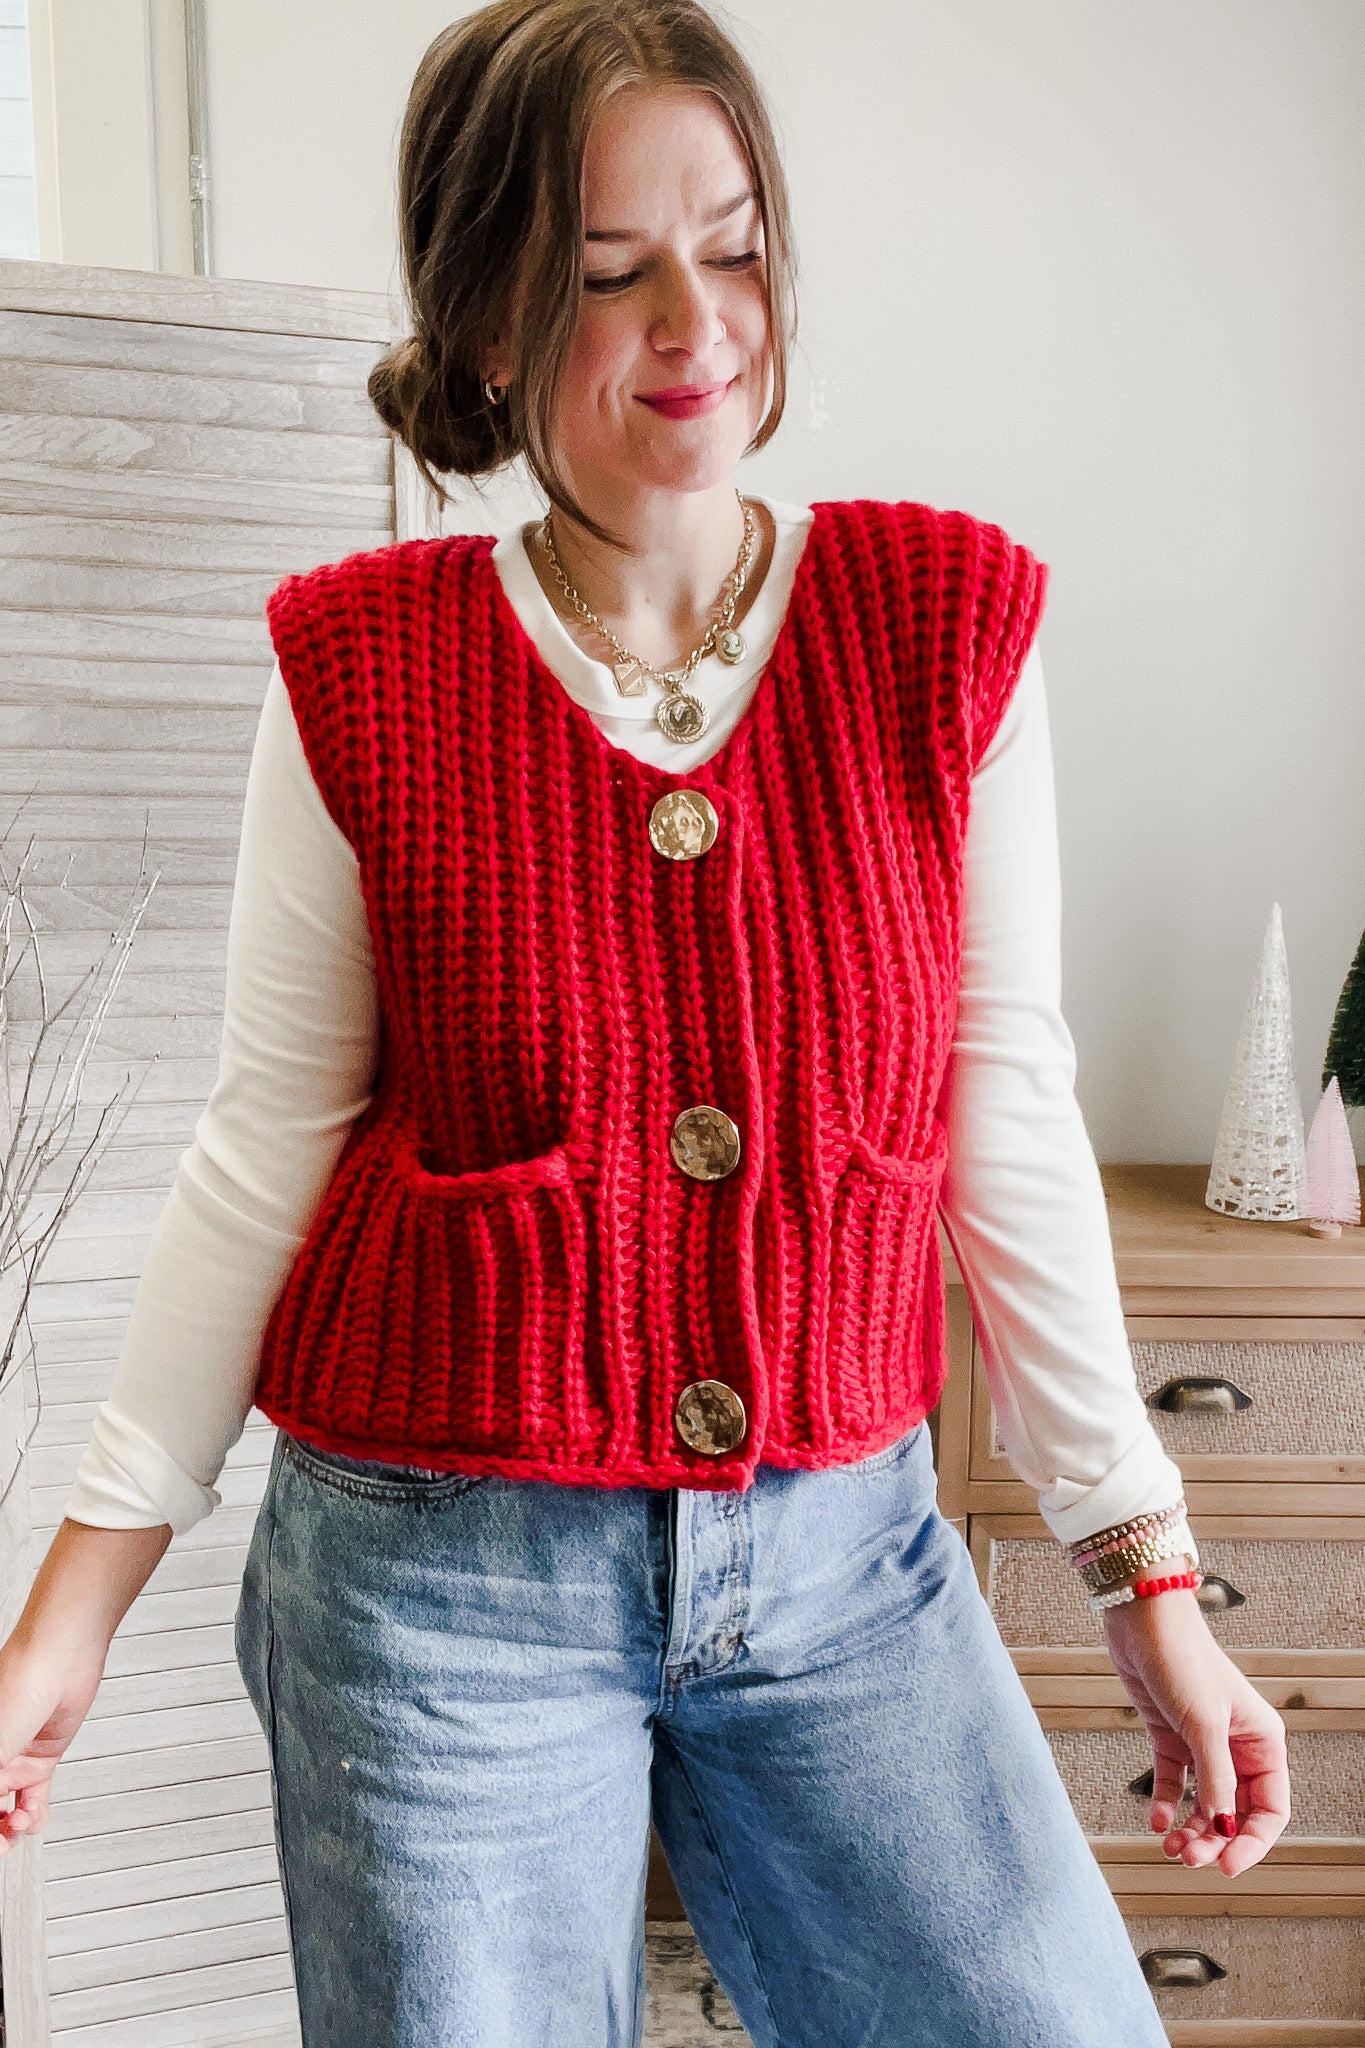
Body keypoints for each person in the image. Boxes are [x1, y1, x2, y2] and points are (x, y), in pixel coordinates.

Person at [0, 3, 1290, 2043]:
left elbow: (1003, 1123)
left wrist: (1145, 1585)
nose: (694, 314)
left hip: (845, 1561)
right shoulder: (368, 669)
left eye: (737, 239)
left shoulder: (941, 630)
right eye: (608, 270)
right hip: (432, 1583)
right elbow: (261, 1146)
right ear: (494, 319)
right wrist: (72, 1607)